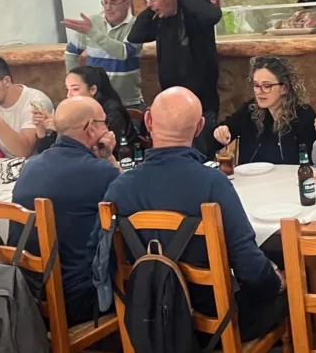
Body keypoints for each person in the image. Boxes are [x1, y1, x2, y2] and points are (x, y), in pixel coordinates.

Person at [105, 86, 285, 339]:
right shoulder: (212, 183)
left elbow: (104, 260)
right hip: (213, 323)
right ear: (200, 127)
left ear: (147, 121)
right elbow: (248, 265)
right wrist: (277, 281)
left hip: (146, 320)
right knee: (285, 290)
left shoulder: (119, 188)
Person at [13, 97, 120, 326]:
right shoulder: (101, 172)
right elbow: (128, 204)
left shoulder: (30, 165)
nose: (107, 128)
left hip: (29, 292)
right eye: (104, 122)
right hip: (80, 299)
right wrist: (110, 158)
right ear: (90, 128)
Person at [128, 0, 222, 154]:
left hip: (202, 104)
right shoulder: (160, 20)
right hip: (171, 104)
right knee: (175, 156)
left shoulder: (194, 13)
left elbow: (213, 15)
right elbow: (135, 36)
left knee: (201, 155)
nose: (150, 3)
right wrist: (153, 6)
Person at [213, 56, 316, 165]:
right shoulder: (249, 110)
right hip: (252, 179)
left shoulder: (304, 115)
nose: (259, 91)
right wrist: (220, 133)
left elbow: (312, 161)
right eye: (256, 85)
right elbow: (219, 138)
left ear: (284, 88)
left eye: (266, 86)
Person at [62, 0, 143, 109]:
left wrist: (91, 32)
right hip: (95, 101)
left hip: (127, 102)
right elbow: (71, 52)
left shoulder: (137, 25)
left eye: (113, 3)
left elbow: (124, 52)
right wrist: (74, 84)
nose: (107, 7)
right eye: (104, 2)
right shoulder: (92, 22)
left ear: (127, 4)